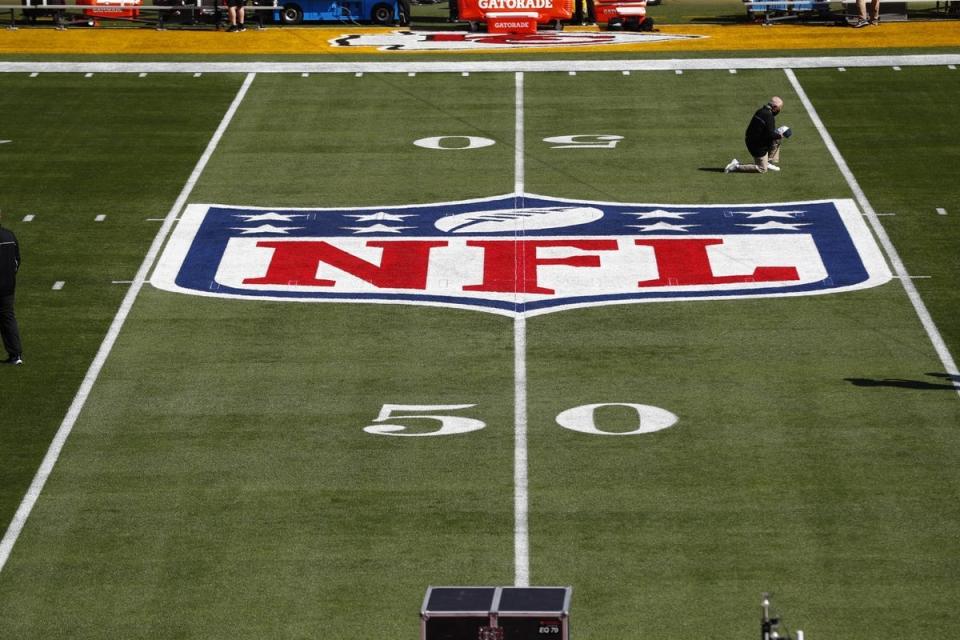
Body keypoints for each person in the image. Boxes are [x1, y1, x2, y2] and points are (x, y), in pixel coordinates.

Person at [725, 96, 785, 174]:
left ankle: (768, 162)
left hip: (752, 140)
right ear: (774, 107)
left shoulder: (761, 111)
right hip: (757, 145)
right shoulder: (769, 116)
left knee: (776, 139)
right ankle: (735, 166)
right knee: (762, 169)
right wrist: (780, 135)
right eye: (779, 108)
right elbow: (770, 135)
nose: (779, 110)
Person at [0, 209, 23, 366]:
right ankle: (16, 355)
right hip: (8, 287)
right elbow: (17, 261)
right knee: (8, 318)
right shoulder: (9, 236)